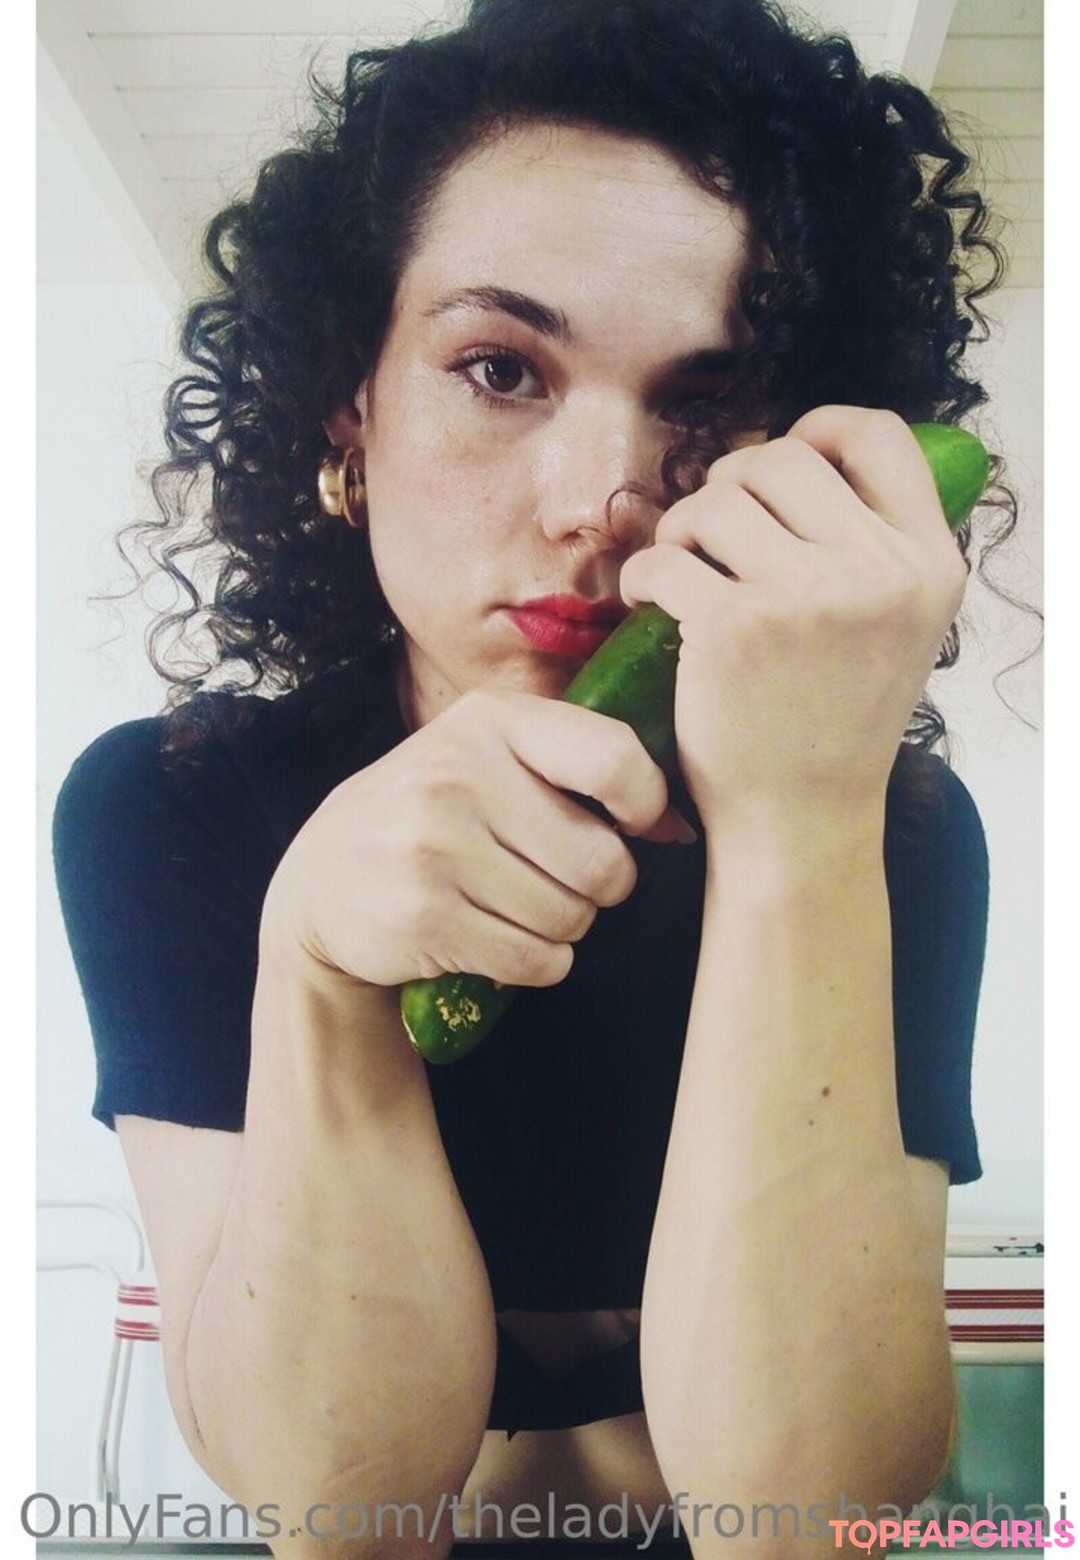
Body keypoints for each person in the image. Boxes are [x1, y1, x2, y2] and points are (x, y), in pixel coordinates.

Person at [53, 0, 1005, 1554]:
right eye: (500, 368)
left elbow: (807, 1520)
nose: (605, 503)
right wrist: (315, 971)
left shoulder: (894, 826)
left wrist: (802, 830)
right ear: (351, 408)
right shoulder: (176, 804)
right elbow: (340, 1515)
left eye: (701, 398)